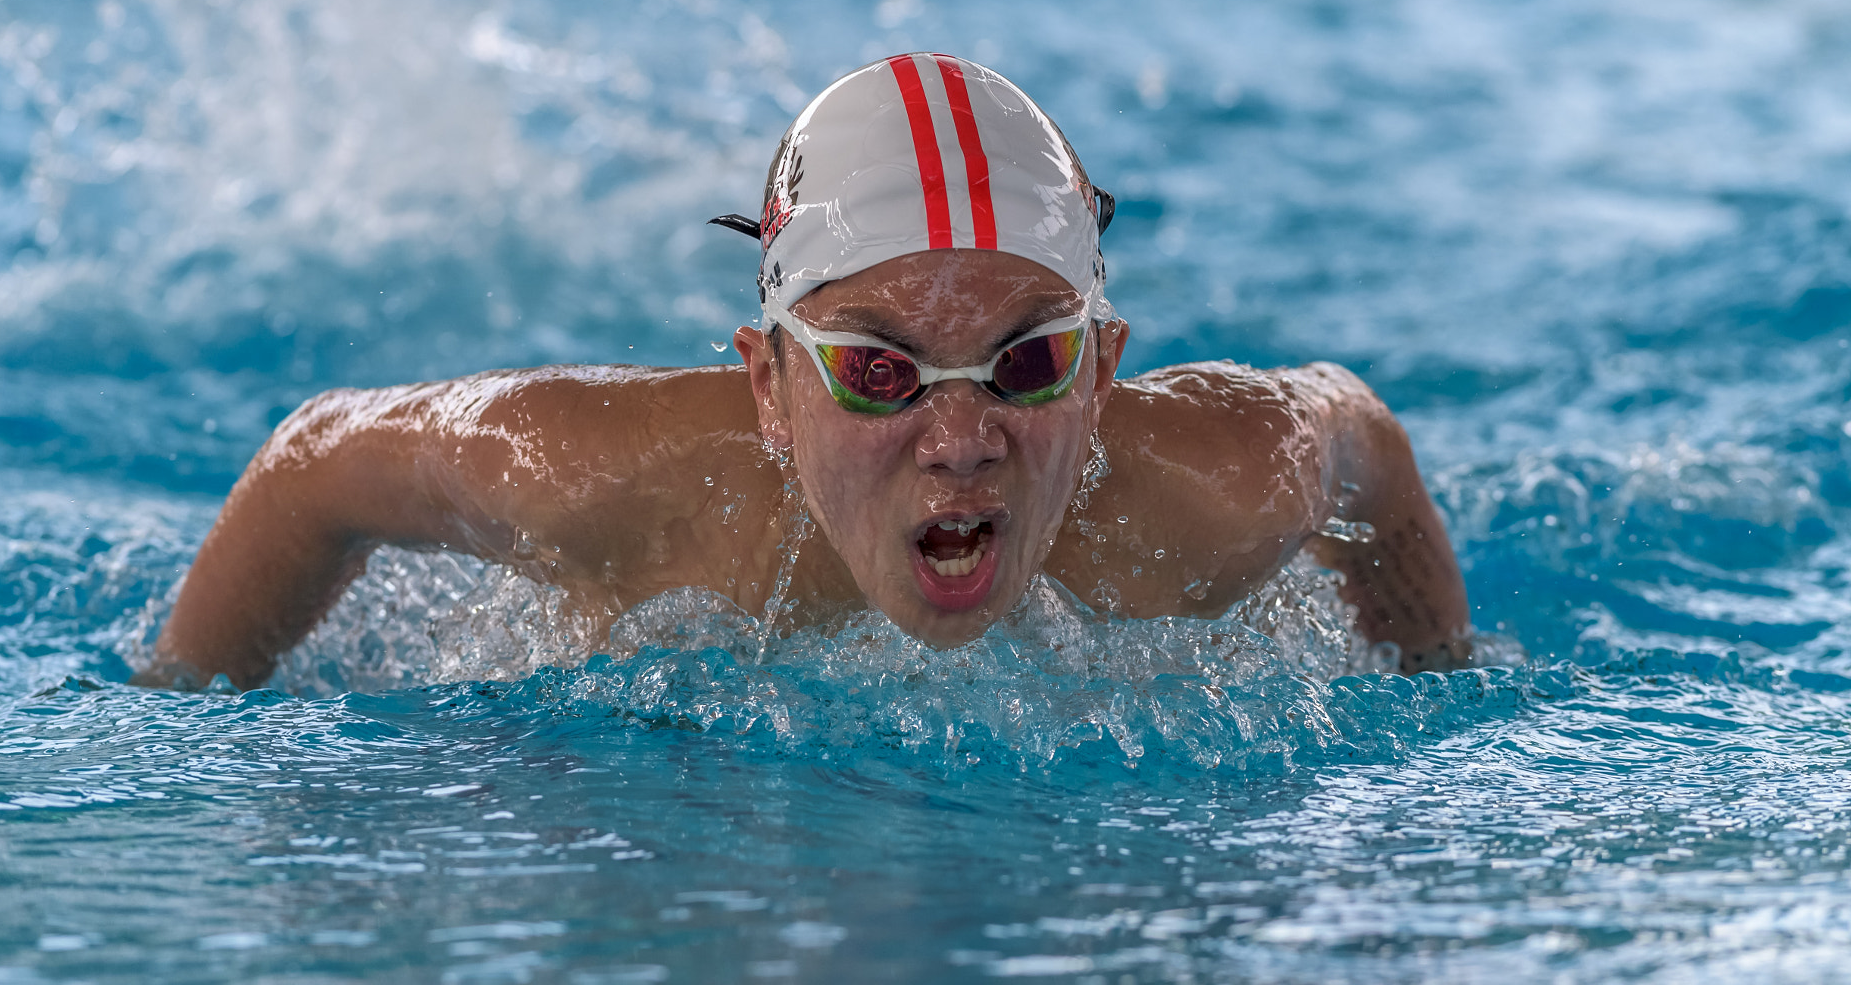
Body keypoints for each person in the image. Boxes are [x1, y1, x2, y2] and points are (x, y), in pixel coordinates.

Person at [133, 53, 1470, 691]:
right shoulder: (609, 481)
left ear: (1104, 377)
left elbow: (1361, 439)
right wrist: (182, 724)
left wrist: (1437, 684)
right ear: (770, 391)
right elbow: (314, 462)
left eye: (1029, 363)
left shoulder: (1217, 484)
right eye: (881, 373)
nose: (962, 439)